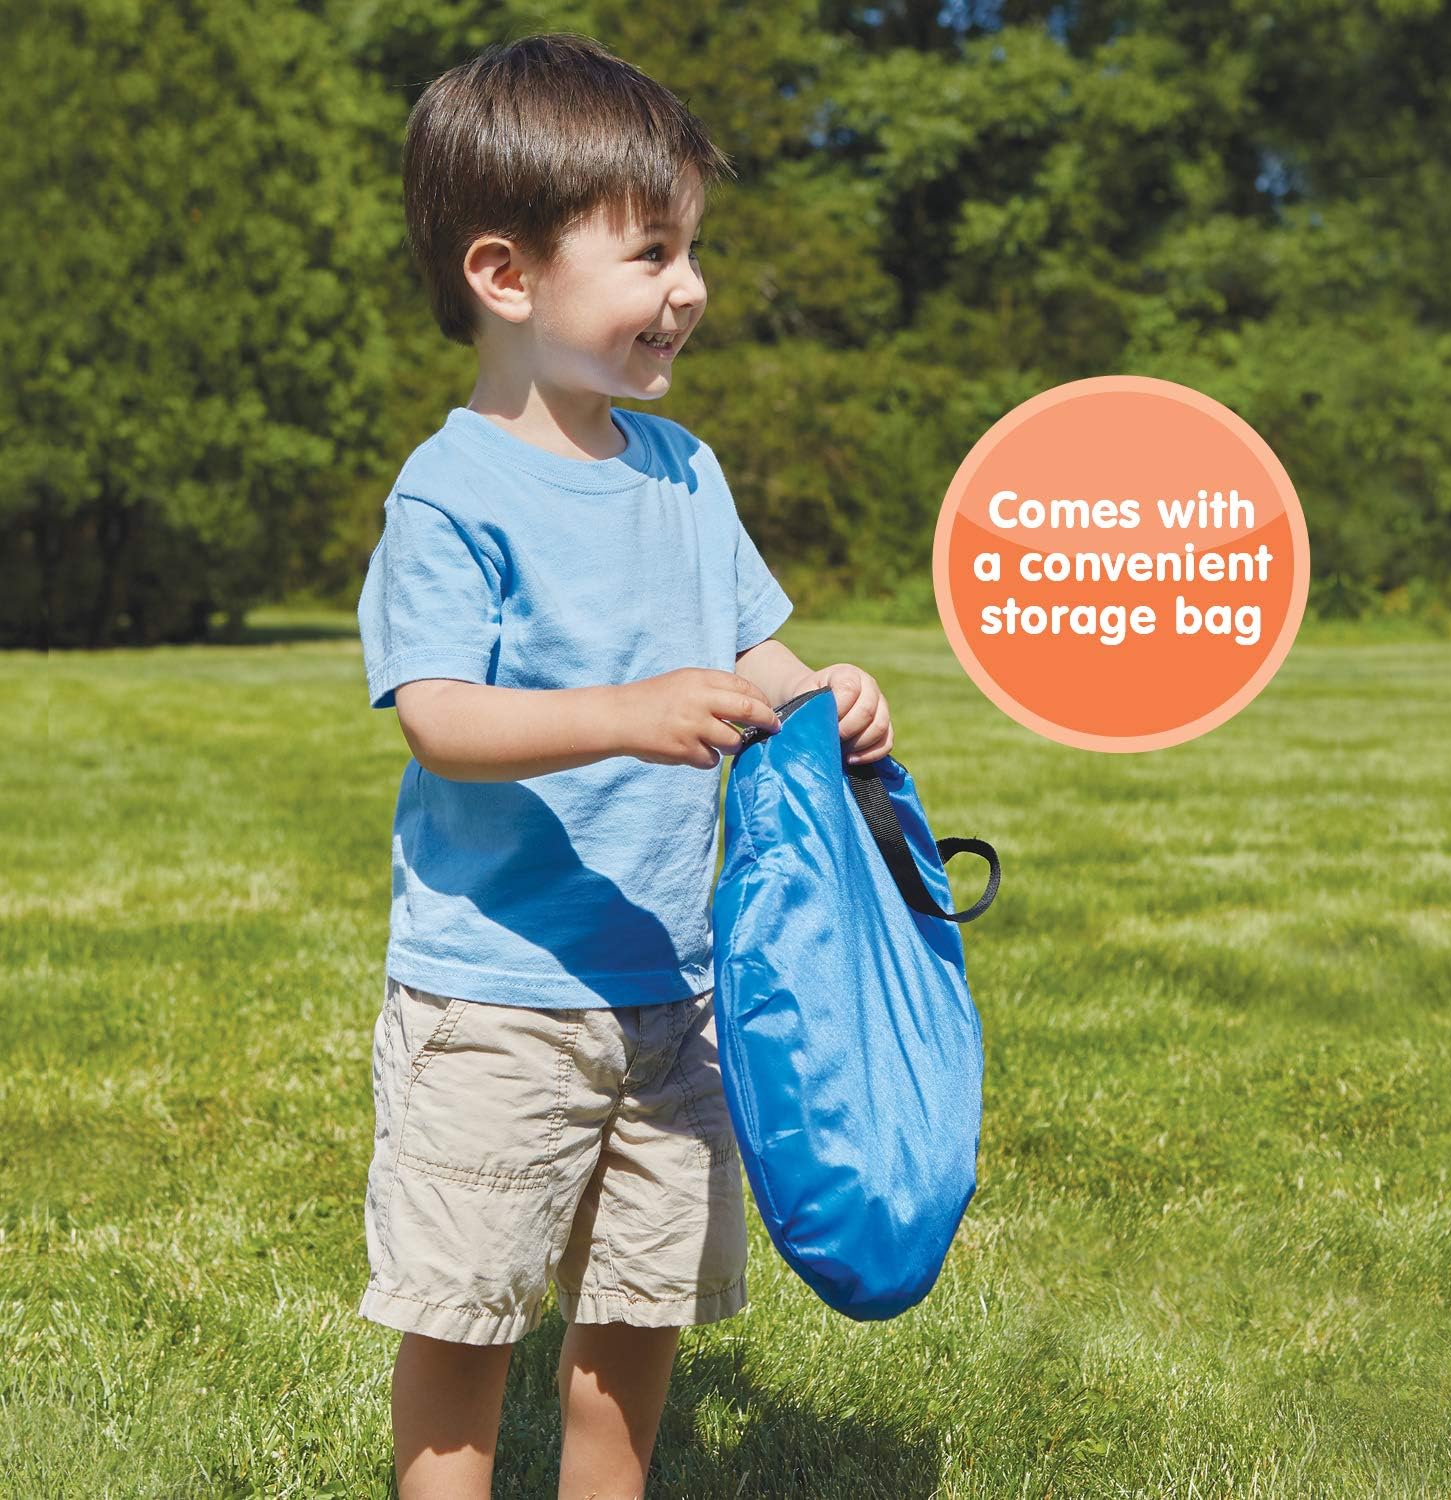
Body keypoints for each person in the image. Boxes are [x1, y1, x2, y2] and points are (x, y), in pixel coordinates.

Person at [354, 32, 894, 1500]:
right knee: (466, 1305)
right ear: (506, 276)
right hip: (498, 996)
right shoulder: (453, 488)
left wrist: (821, 696)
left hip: (677, 988)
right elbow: (440, 717)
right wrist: (626, 712)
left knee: (641, 1298)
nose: (691, 287)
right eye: (652, 250)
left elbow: (752, 654)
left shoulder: (684, 472)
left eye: (694, 250)